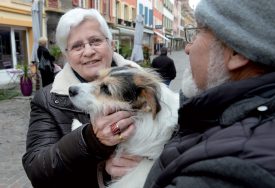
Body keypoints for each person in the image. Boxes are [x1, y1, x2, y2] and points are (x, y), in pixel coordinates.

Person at [108, 0, 275, 187]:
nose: (188, 48)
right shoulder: (217, 117)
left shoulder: (223, 173)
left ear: (236, 52)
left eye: (198, 33)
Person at [22, 8, 140, 188]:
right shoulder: (47, 99)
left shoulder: (142, 84)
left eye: (95, 41)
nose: (88, 51)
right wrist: (90, 141)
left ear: (111, 44)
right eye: (77, 46)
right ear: (66, 55)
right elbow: (37, 169)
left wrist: (149, 164)